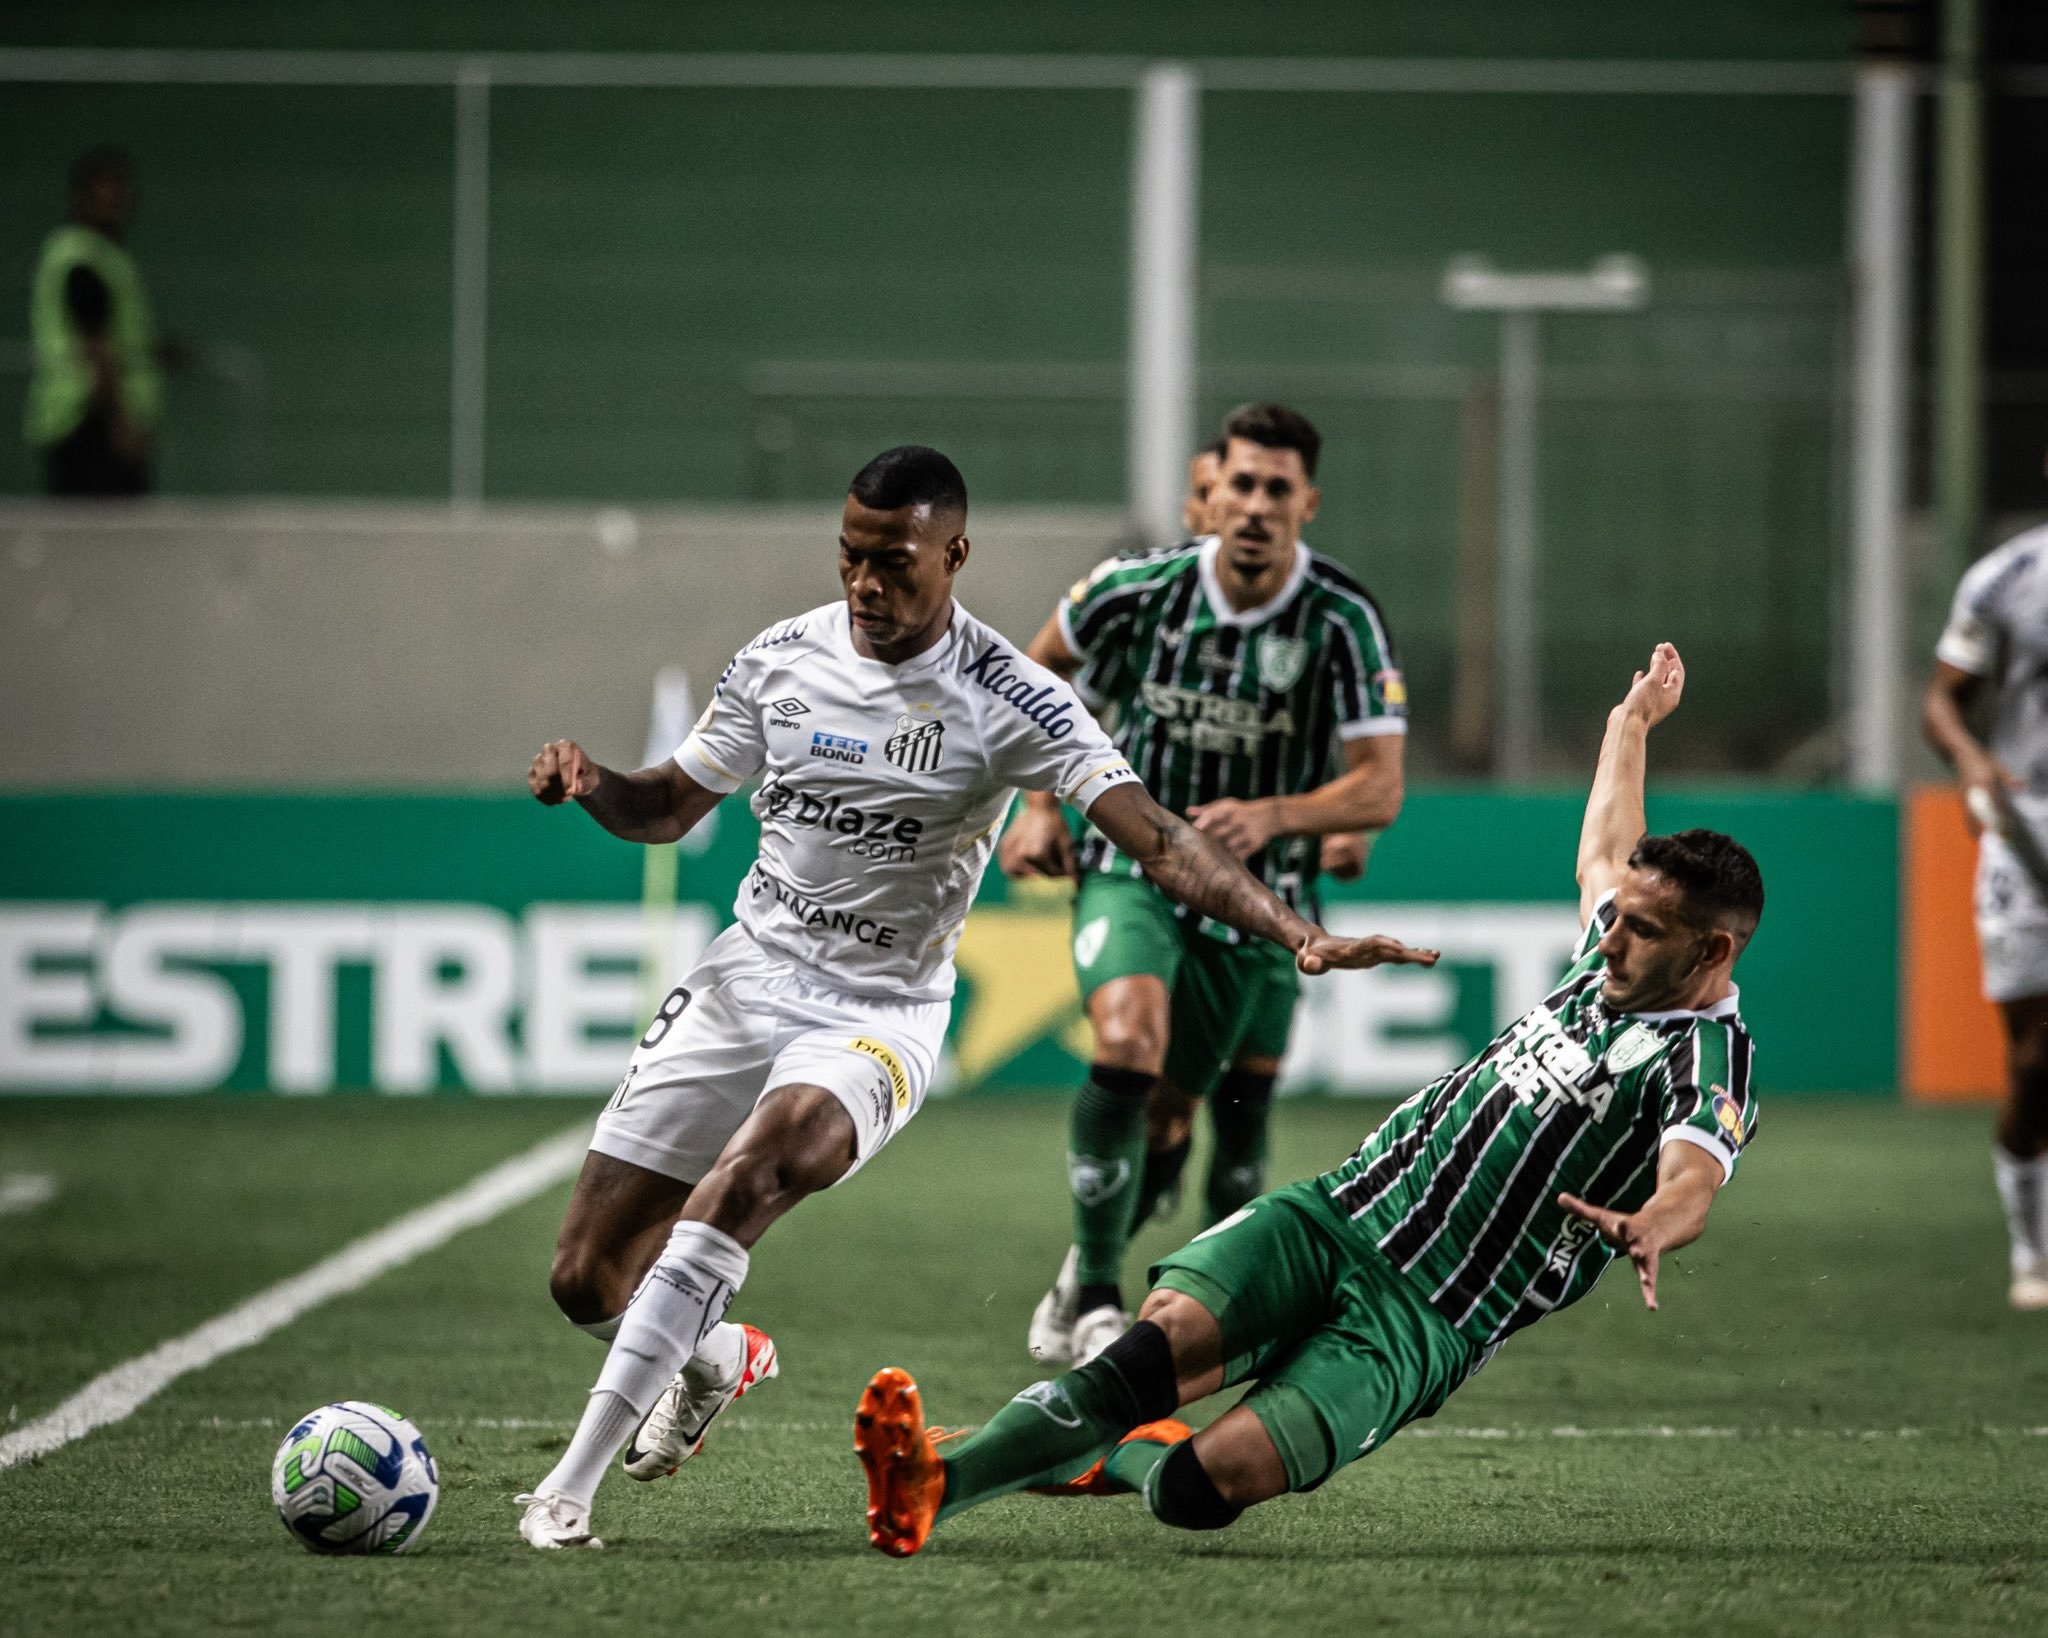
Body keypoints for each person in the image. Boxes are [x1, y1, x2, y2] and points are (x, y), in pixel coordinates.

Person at [513, 444, 1438, 1549]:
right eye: (851, 557)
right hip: (743, 979)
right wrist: (592, 784)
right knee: (585, 1280)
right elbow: (667, 805)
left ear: (953, 554)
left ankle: (565, 1491)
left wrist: (1291, 928)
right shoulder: (776, 660)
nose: (866, 583)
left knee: (751, 1175)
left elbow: (1157, 837)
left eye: (893, 562)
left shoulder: (1010, 696)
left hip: (876, 1013)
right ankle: (715, 1355)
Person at [856, 642, 1763, 1558]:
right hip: (1342, 1212)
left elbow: (1693, 1174)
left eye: (1642, 931)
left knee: (1198, 1489)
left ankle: (1097, 1457)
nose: (1611, 939)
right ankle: (936, 1483)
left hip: (1425, 1320)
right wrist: (1631, 721)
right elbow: (1607, 844)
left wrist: (1655, 1222)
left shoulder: (1710, 1057)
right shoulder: (1612, 948)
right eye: (1619, 918)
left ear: (1710, 954)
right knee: (1145, 1353)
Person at [999, 403, 1406, 1370]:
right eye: (1242, 485)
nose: (1257, 505)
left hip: (1259, 906)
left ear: (1306, 503)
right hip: (1133, 868)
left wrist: (1280, 817)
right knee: (1127, 1039)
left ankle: (1106, 1279)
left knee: (1191, 1121)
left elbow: (1379, 784)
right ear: (1208, 491)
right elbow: (1028, 678)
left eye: (1278, 489)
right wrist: (1041, 808)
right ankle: (1099, 1296)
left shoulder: (1342, 621)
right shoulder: (1135, 590)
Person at [1922, 521, 2048, 1310]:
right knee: (2036, 1059)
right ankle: (2031, 1250)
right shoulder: (2006, 578)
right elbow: (1941, 699)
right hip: (2026, 820)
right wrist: (1970, 763)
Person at [25, 149, 164, 496]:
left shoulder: (100, 256)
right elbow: (96, 344)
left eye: (118, 200)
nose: (113, 209)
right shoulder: (81, 259)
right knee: (100, 533)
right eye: (103, 200)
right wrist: (119, 422)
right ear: (81, 199)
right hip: (88, 417)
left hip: (85, 415)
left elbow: (118, 334)